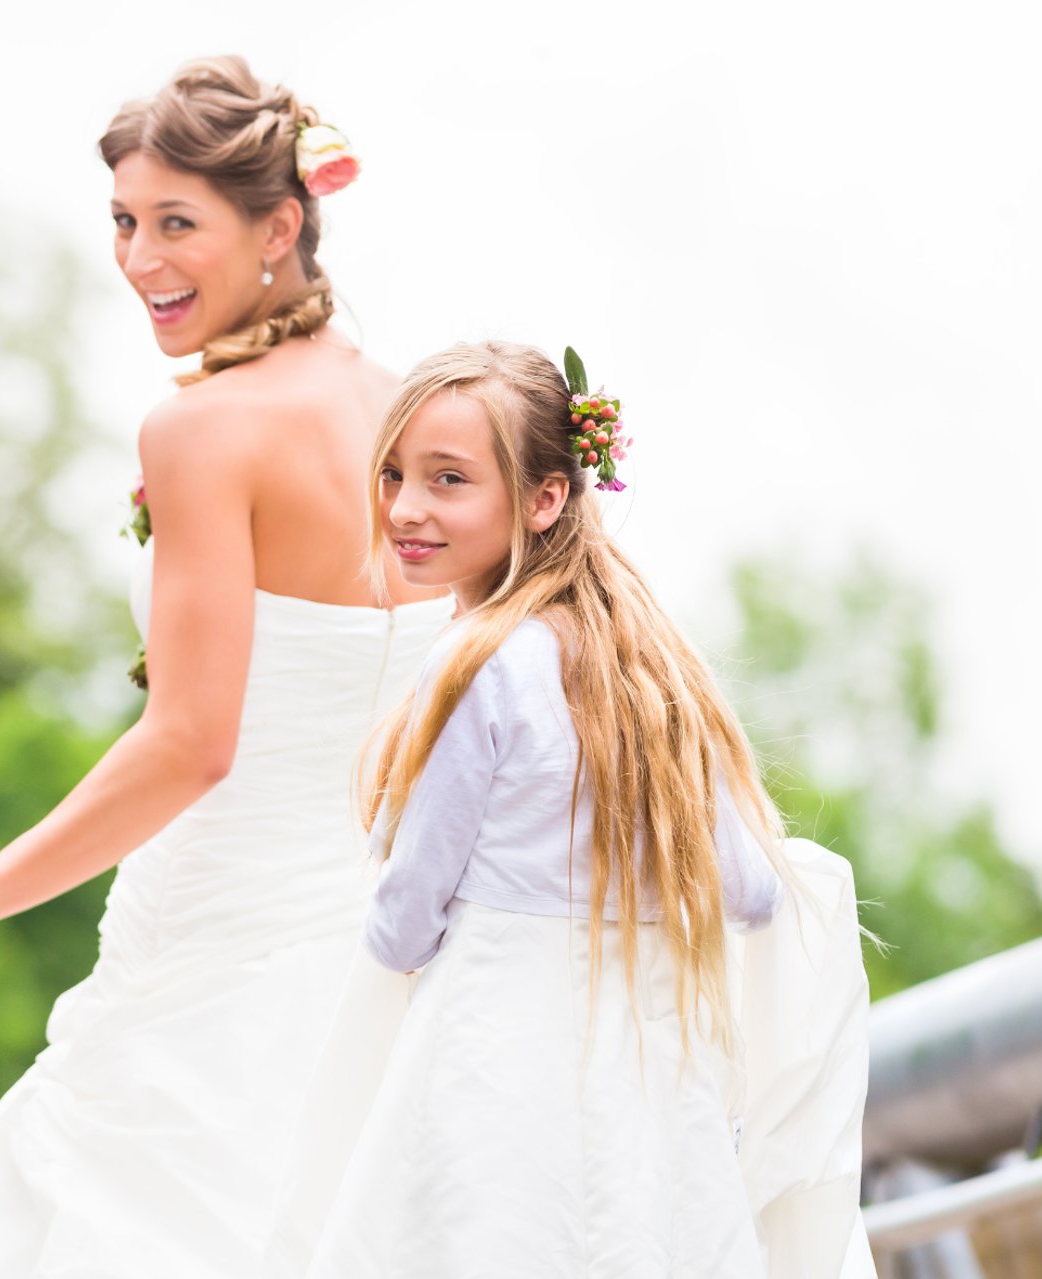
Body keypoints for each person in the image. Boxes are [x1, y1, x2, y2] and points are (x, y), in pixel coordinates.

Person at [0, 55, 452, 1276]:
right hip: (398, 949)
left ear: (278, 226)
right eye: (125, 223)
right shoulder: (421, 413)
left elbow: (192, 742)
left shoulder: (201, 428)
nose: (139, 260)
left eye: (177, 223)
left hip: (220, 953)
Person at [301, 340, 786, 1276]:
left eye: (448, 480)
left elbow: (405, 922)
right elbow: (752, 888)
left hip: (492, 1065)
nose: (406, 508)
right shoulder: (652, 673)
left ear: (545, 497)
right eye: (395, 473)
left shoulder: (476, 660)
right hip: (647, 1089)